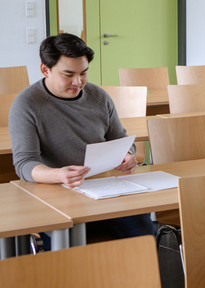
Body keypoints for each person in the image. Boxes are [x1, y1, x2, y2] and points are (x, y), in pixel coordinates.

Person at [9, 33, 155, 250]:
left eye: (83, 73)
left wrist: (127, 155)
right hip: (55, 193)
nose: (78, 82)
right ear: (45, 69)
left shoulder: (99, 96)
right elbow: (24, 164)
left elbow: (121, 139)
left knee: (143, 235)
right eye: (68, 74)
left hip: (103, 188)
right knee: (68, 252)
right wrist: (58, 174)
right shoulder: (26, 104)